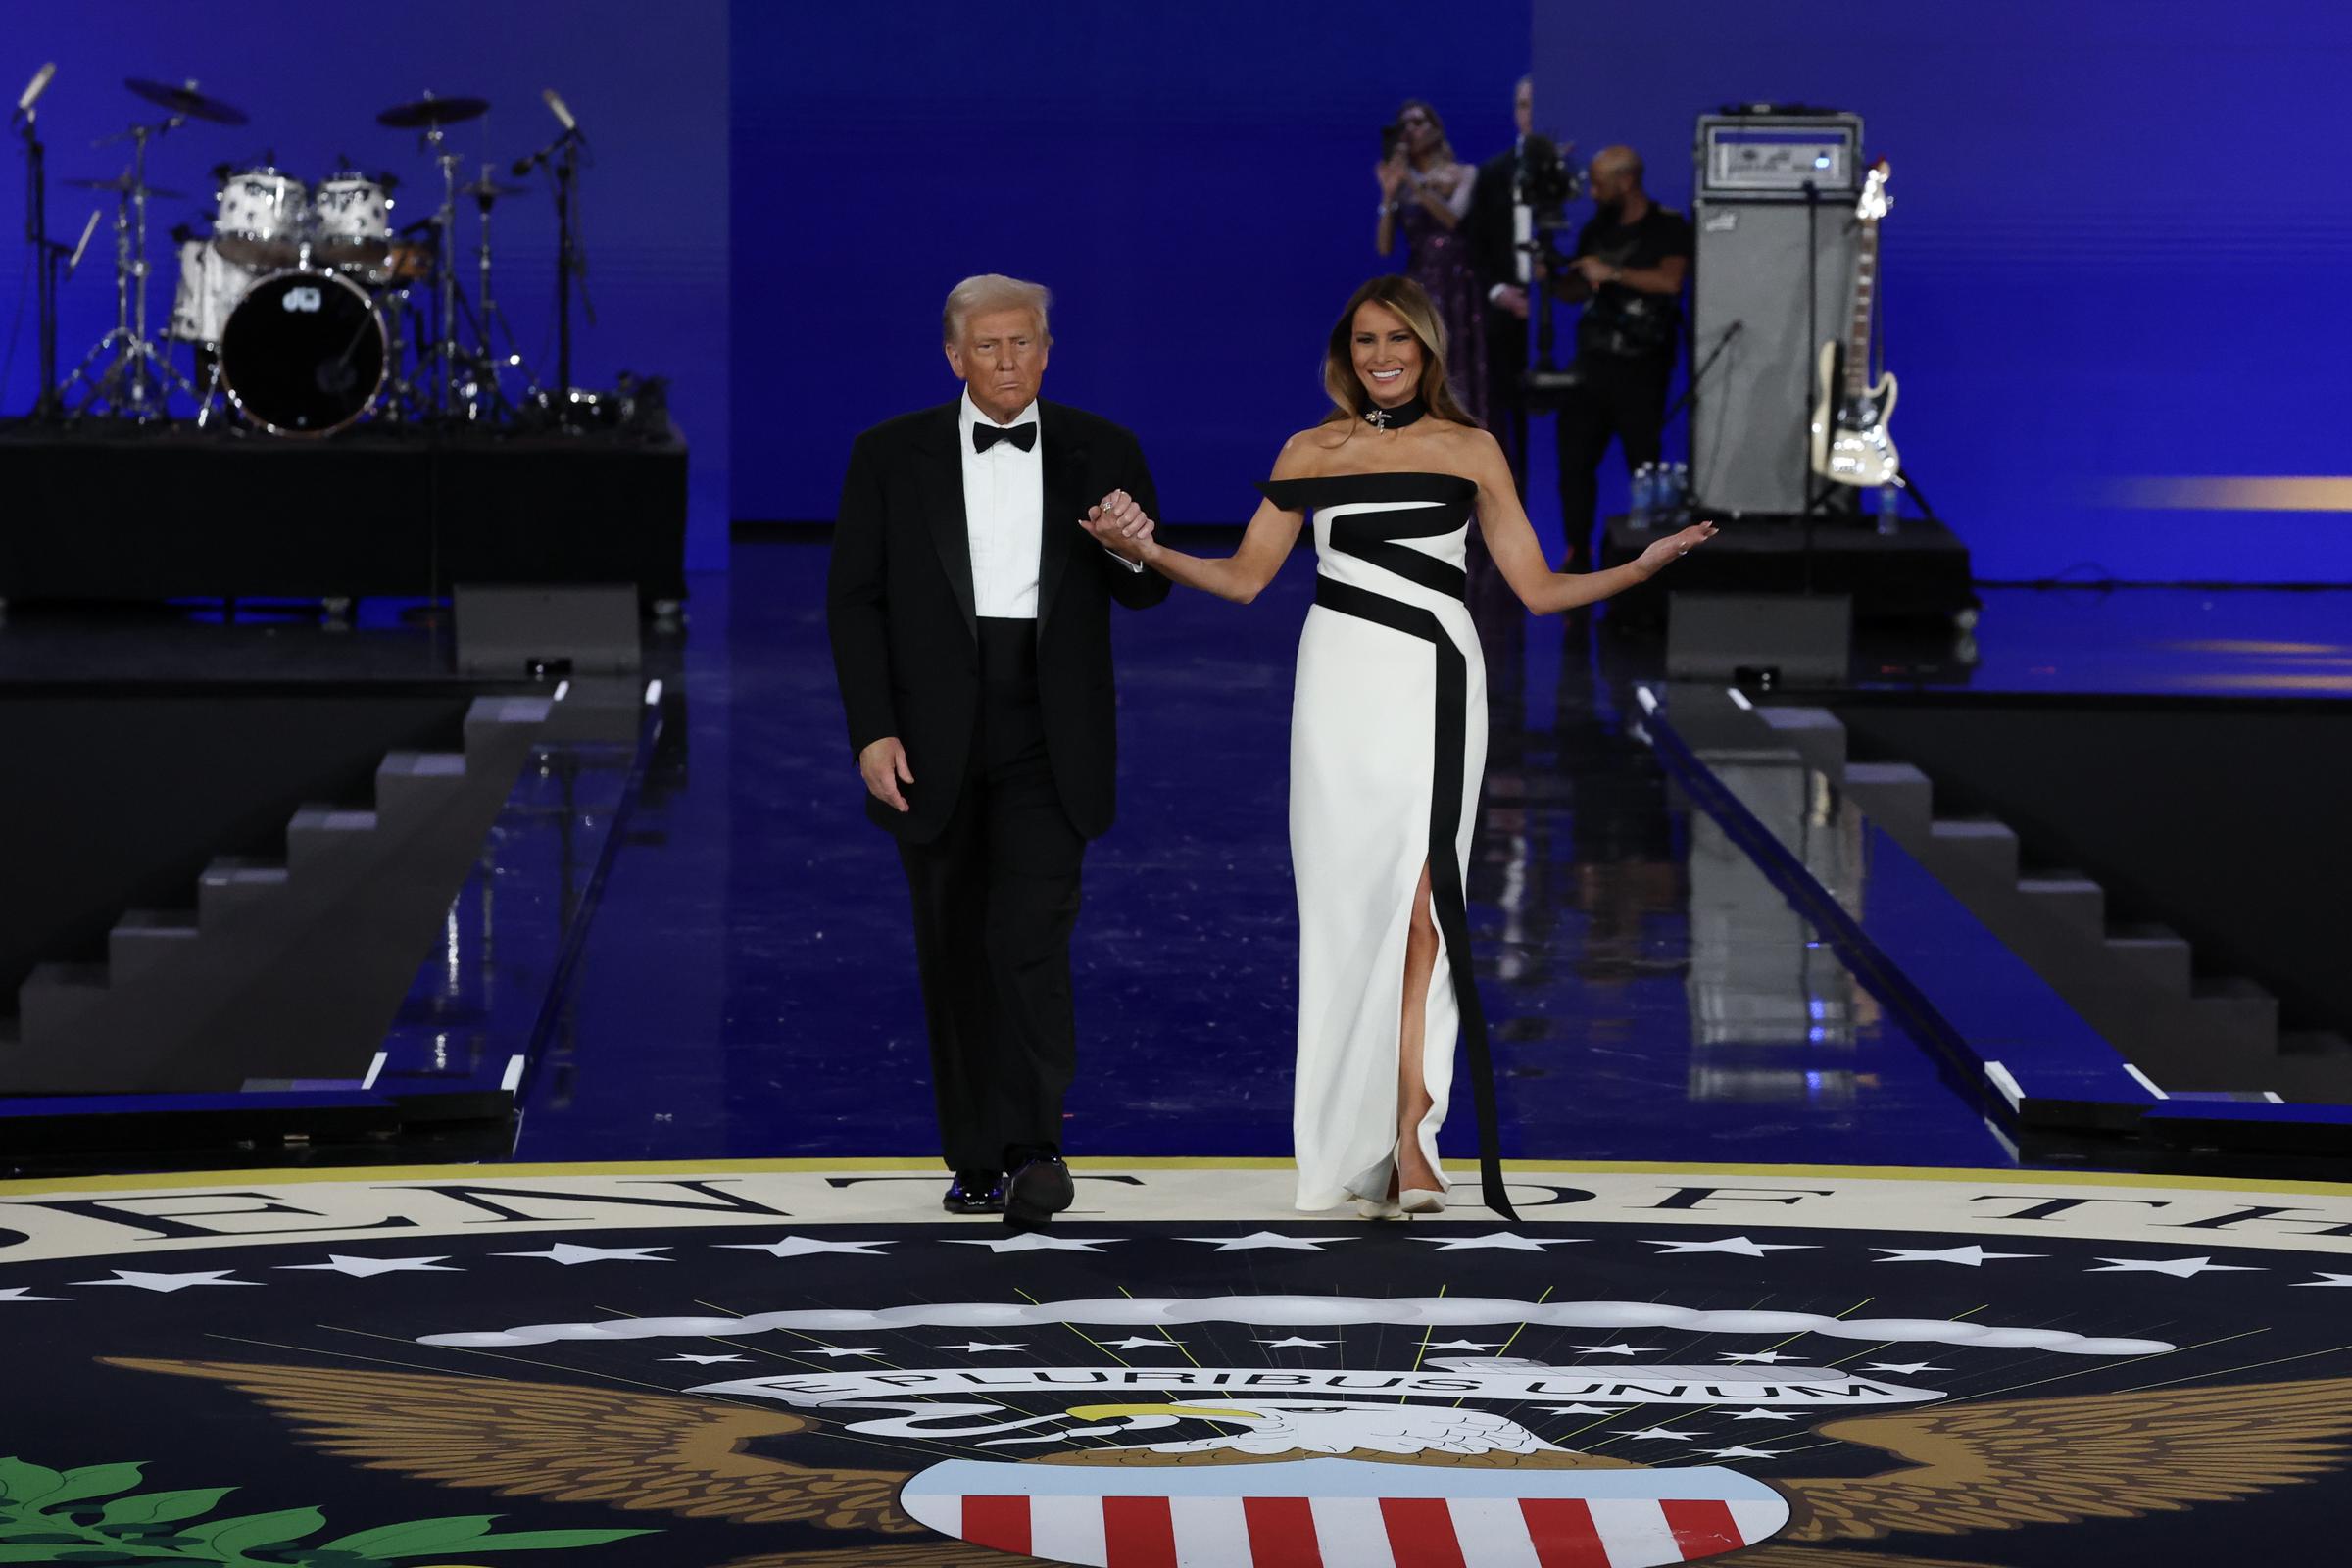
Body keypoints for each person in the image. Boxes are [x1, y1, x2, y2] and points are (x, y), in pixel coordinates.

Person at [1081, 276, 1712, 1219]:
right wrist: (1142, 552)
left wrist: (1636, 567)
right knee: (1348, 908)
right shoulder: (1310, 450)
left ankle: (1414, 1132)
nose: (1383, 356)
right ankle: (1354, 1138)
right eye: (1368, 340)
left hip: (1436, 683)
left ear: (1427, 352)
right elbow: (1247, 579)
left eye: (1400, 341)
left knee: (1427, 904)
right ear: (1347, 351)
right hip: (1338, 685)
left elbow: (1535, 589)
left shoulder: (1470, 449)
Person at [826, 274, 1170, 1227]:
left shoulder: (1106, 448)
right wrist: (872, 728)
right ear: (953, 355)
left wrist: (1135, 549)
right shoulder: (890, 455)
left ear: (1049, 350)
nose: (1009, 360)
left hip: (1050, 728)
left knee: (1029, 937)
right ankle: (974, 1154)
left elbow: (1146, 592)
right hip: (926, 735)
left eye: (1025, 343)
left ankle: (1033, 1147)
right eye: (989, 345)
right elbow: (854, 603)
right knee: (952, 942)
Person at [1549, 146, 1693, 560]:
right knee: (1574, 464)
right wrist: (1555, 275)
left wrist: (1611, 272)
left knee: (1642, 466)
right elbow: (1578, 290)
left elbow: (1670, 282)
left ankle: (1648, 557)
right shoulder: (1597, 229)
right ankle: (1577, 551)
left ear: (1626, 181)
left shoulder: (1667, 228)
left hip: (1642, 367)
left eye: (1600, 183)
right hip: (1592, 365)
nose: (1593, 193)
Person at [1377, 100, 1487, 430]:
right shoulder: (1401, 182)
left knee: (1460, 365)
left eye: (1419, 122)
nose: (1412, 130)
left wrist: (1412, 182)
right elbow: (1384, 247)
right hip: (1422, 284)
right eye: (1405, 125)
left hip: (1459, 284)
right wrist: (1388, 194)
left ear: (1436, 128)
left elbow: (1454, 219)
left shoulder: (1464, 173)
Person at [1465, 76, 1537, 488]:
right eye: (1524, 104)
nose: (1531, 113)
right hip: (1505, 316)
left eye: (1538, 104)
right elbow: (1475, 244)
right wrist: (1498, 293)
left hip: (1559, 319)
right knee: (1505, 422)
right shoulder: (1494, 172)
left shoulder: (1574, 174)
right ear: (1515, 111)